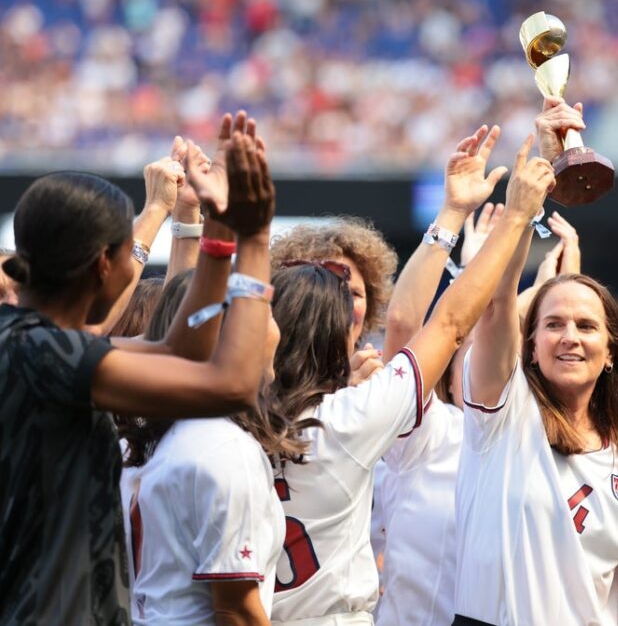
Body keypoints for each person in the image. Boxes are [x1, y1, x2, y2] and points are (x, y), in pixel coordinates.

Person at [0, 110, 276, 624]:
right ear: (104, 264)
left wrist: (216, 234)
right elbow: (233, 383)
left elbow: (183, 355)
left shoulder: (28, 346)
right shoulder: (45, 357)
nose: (134, 267)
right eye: (132, 253)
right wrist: (255, 240)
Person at [268, 133, 555, 625]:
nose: (351, 308)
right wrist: (514, 218)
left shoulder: (228, 413)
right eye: (338, 297)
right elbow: (442, 324)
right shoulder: (351, 418)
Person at [373, 125, 584, 626]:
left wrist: (560, 287)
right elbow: (413, 324)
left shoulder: (527, 433)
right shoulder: (422, 428)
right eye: (463, 341)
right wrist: (458, 226)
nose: (476, 343)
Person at [455, 256, 618, 625]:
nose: (569, 337)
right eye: (553, 324)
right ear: (531, 345)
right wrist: (522, 213)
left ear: (610, 351)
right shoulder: (501, 412)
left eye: (586, 326)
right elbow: (496, 307)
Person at [120, 267, 291, 624]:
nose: (275, 329)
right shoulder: (223, 447)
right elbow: (235, 608)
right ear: (231, 335)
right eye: (266, 314)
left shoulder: (172, 433)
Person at [271, 214, 398, 386]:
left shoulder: (380, 379)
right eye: (325, 288)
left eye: (354, 294)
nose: (342, 305)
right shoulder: (261, 374)